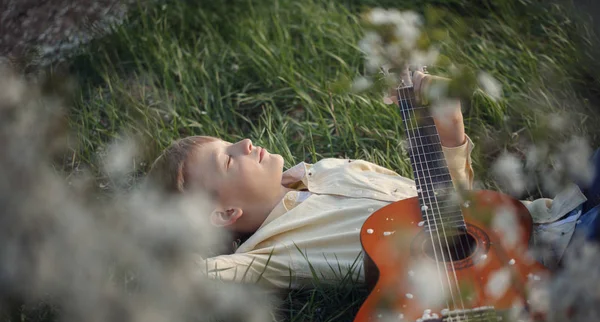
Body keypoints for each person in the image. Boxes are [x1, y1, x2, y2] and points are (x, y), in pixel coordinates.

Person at [149, 71, 595, 289]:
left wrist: (448, 128)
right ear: (225, 213)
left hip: (546, 214)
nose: (244, 142)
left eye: (231, 141)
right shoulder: (271, 253)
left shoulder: (329, 168)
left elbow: (451, 209)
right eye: (228, 160)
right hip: (535, 273)